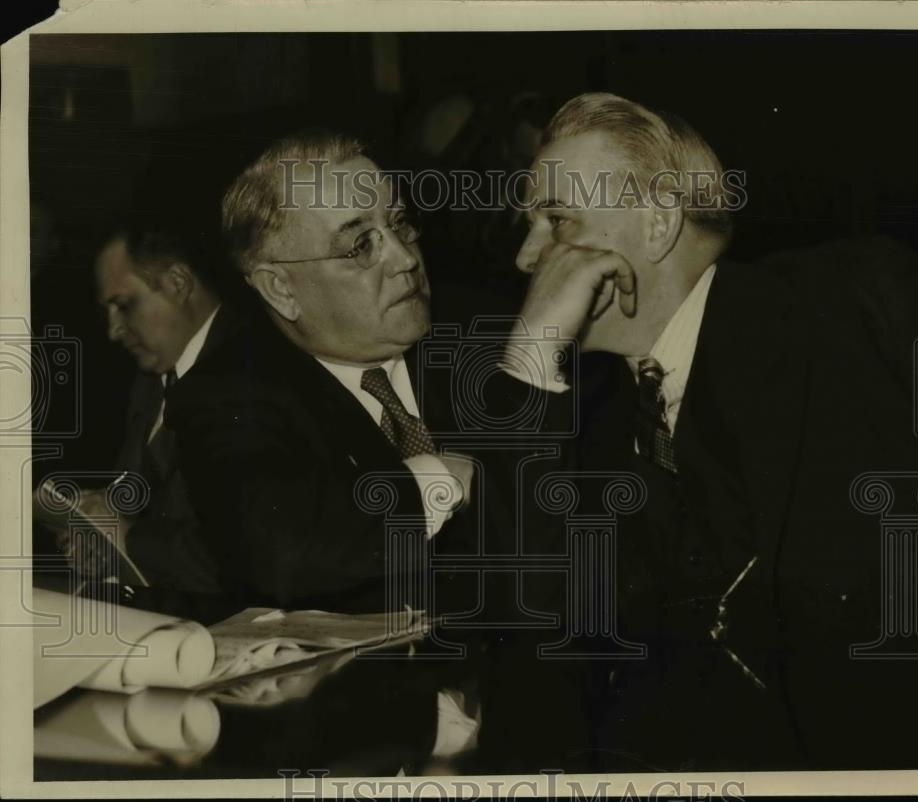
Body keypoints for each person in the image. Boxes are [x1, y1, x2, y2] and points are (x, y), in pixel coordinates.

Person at [506, 92, 918, 770]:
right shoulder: (592, 424)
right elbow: (533, 632)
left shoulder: (850, 305)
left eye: (556, 220)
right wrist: (528, 354)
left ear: (658, 222)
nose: (528, 257)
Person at [164, 131, 562, 615]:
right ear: (280, 290)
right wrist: (443, 478)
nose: (405, 259)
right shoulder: (225, 395)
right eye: (360, 246)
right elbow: (282, 550)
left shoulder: (494, 331)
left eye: (399, 225)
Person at [79, 209, 241, 594]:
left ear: (179, 282)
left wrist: (125, 538)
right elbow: (136, 491)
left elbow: (243, 553)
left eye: (124, 305)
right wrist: (97, 521)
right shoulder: (152, 378)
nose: (113, 330)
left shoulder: (255, 370)